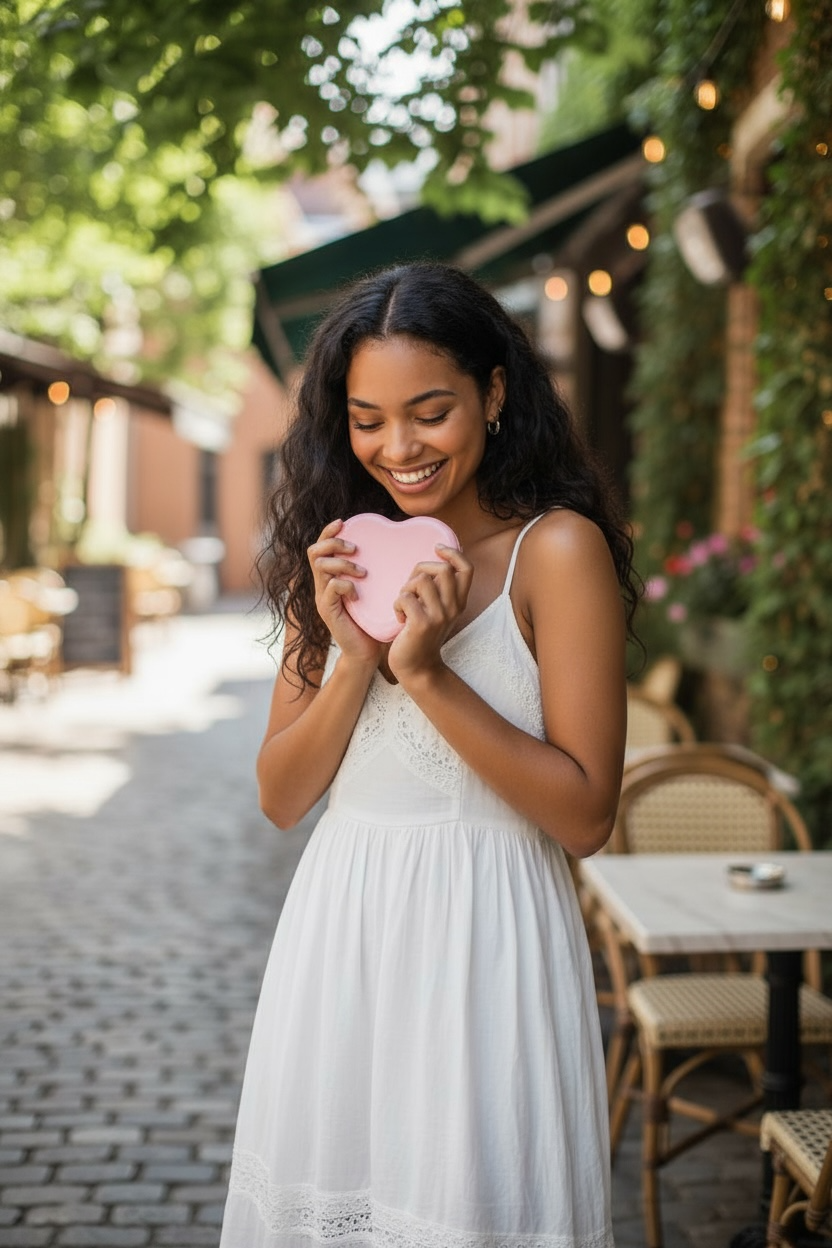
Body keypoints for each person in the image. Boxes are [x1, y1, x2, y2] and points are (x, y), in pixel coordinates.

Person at [219, 261, 638, 1248]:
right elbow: (283, 797)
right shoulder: (342, 554)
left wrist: (432, 674)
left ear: (494, 396)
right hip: (344, 934)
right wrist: (356, 655)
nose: (397, 448)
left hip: (489, 943)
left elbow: (585, 817)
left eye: (429, 411)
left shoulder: (556, 551)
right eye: (367, 418)